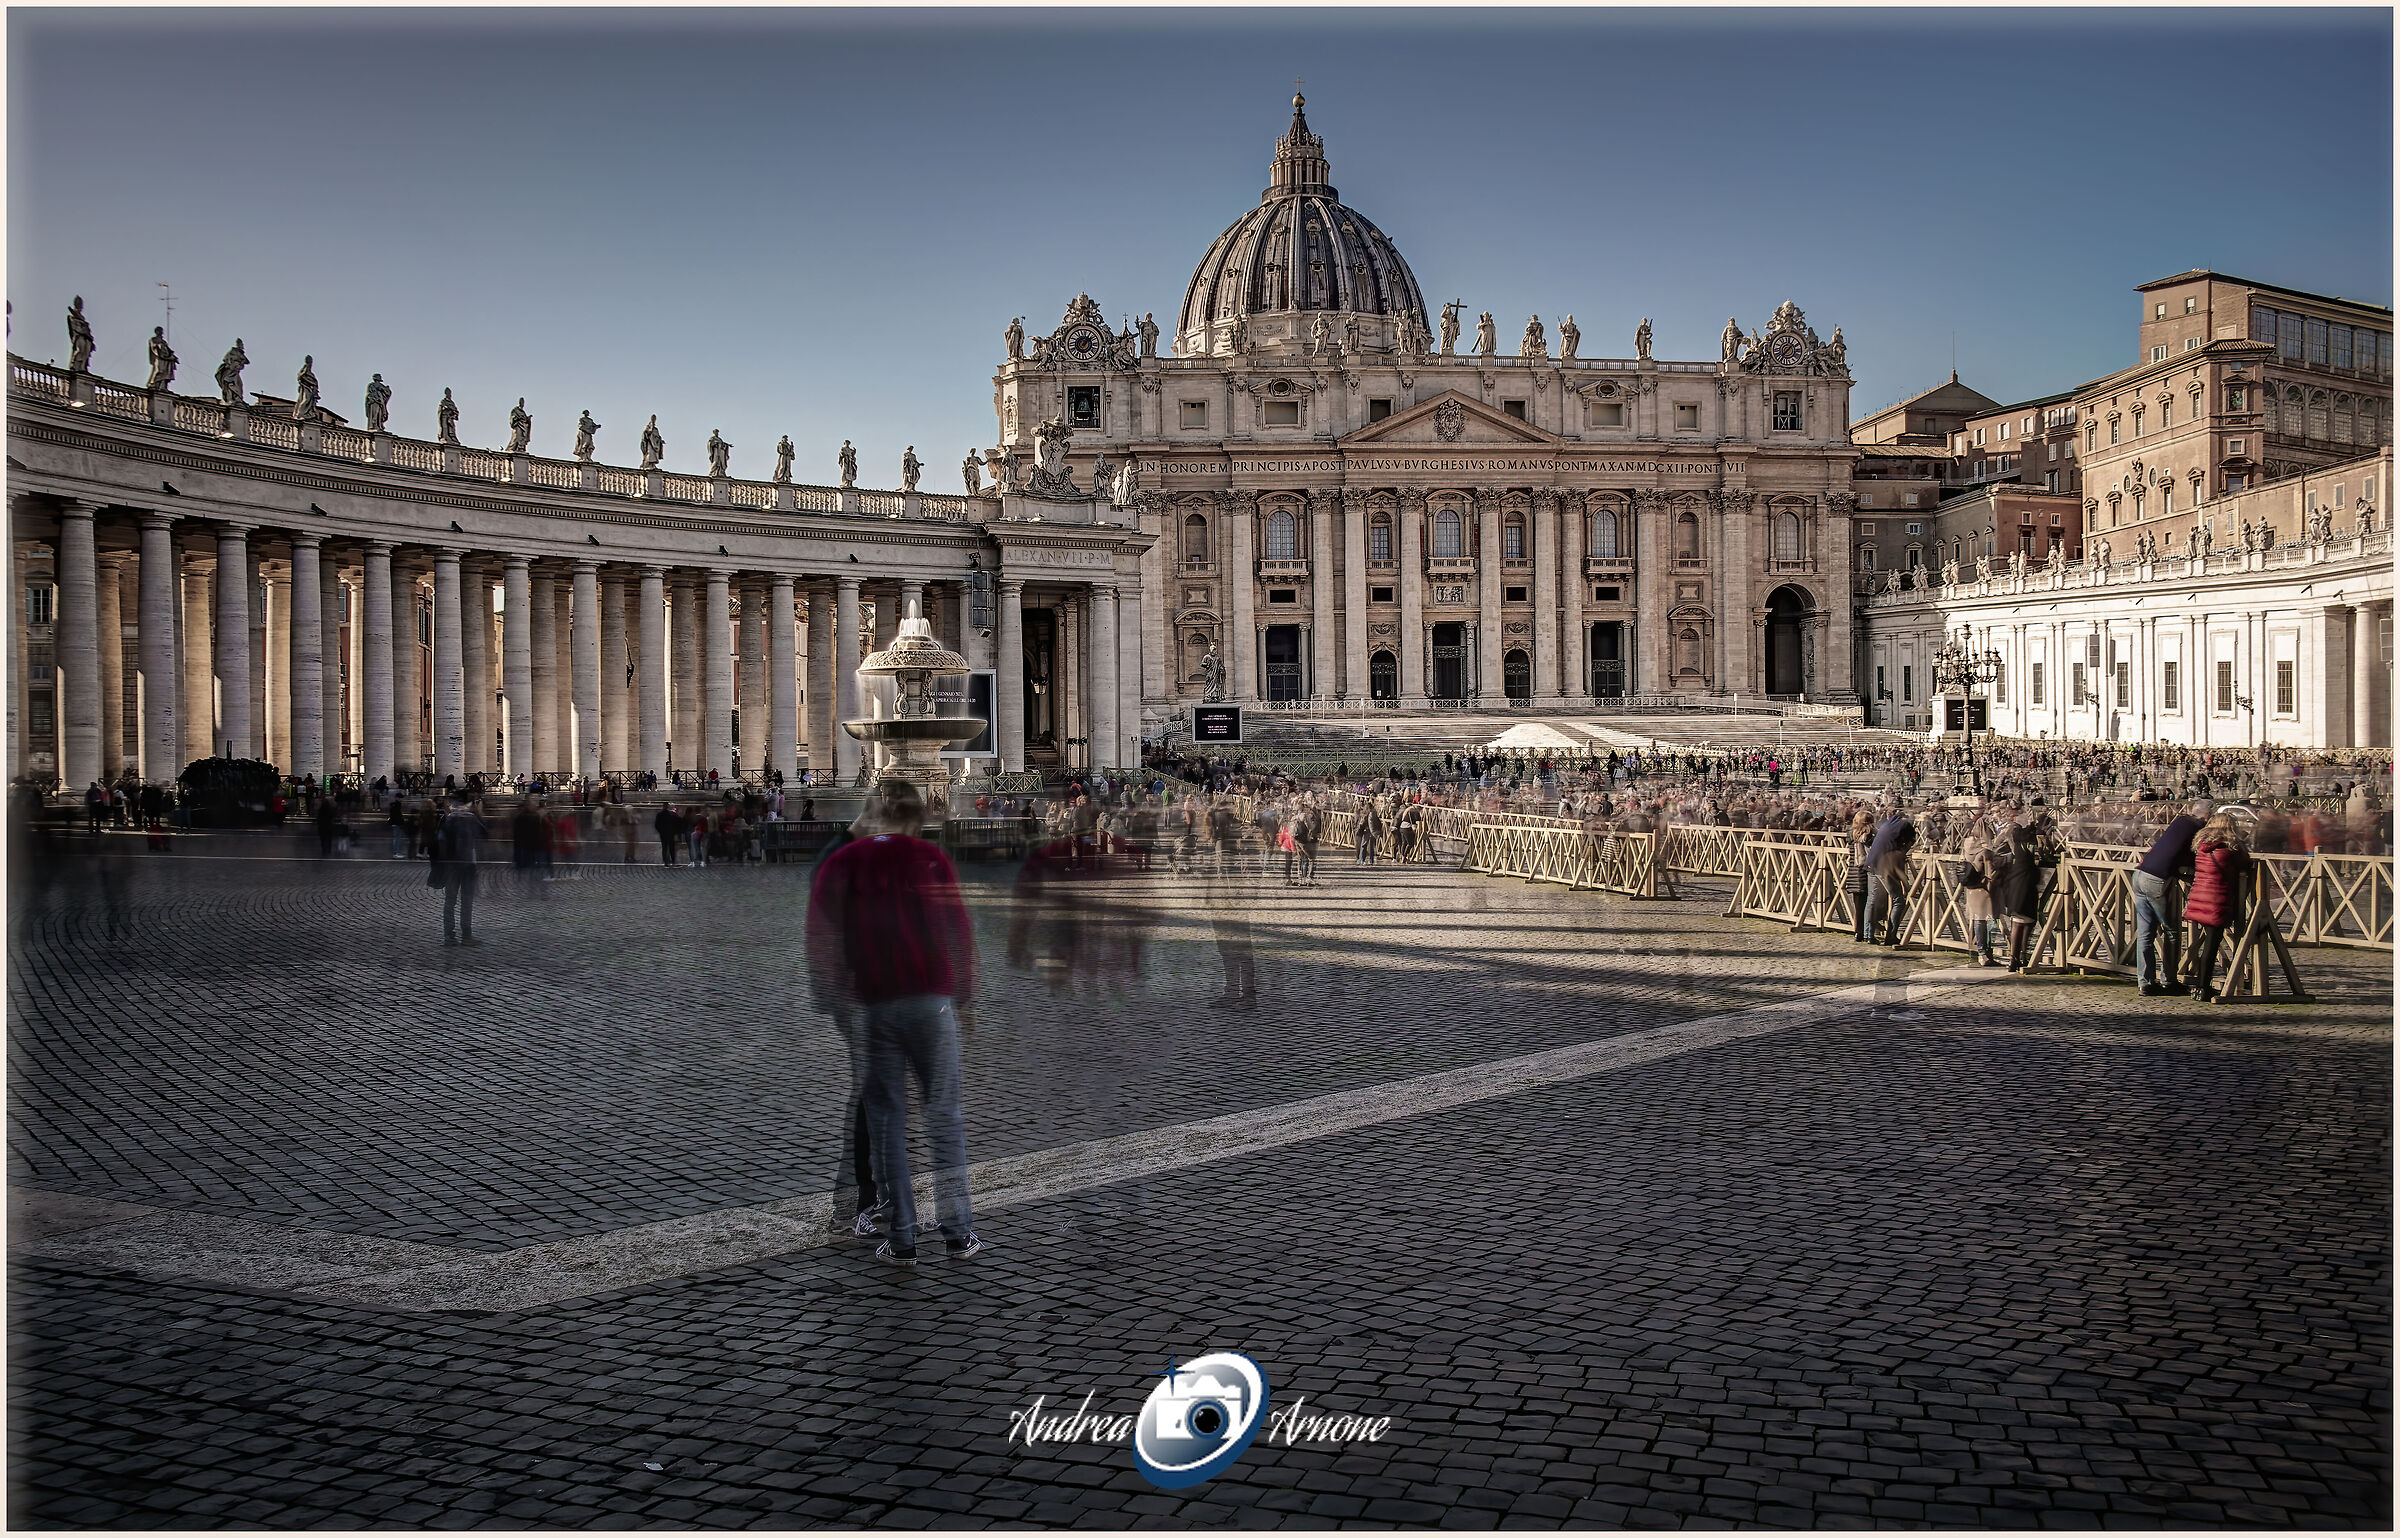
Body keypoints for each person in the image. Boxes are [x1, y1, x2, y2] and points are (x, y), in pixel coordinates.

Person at [805, 780, 982, 1266]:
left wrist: (834, 997)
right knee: (944, 1117)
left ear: (875, 813)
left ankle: (902, 1238)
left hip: (874, 1005)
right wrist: (964, 999)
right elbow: (959, 933)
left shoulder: (845, 862)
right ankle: (959, 1233)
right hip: (933, 1002)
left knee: (887, 1122)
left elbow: (820, 938)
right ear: (919, 816)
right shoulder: (932, 858)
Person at [2131, 800, 2210, 995]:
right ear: (2207, 816)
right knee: (2172, 931)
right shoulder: (2198, 827)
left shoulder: (2179, 821)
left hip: (2140, 875)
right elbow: (2195, 855)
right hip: (2157, 879)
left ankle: (2145, 983)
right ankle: (2169, 980)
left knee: (2145, 934)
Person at [2181, 813, 2251, 1003]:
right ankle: (2202, 988)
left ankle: (2199, 984)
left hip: (2199, 897)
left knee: (2207, 945)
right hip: (2216, 901)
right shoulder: (2229, 850)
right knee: (2211, 947)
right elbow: (2246, 863)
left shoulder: (2202, 846)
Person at [435, 791, 486, 946]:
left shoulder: (446, 819)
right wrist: (479, 813)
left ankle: (448, 936)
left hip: (450, 865)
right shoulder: (471, 819)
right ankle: (466, 935)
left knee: (450, 901)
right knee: (466, 901)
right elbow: (484, 834)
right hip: (468, 864)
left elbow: (438, 842)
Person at [1861, 806, 1916, 947]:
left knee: (1872, 899)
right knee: (1899, 900)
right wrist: (1903, 852)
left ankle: (1868, 934)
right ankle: (1890, 936)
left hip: (1871, 863)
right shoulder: (1906, 825)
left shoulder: (1887, 823)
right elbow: (1911, 841)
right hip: (1884, 865)